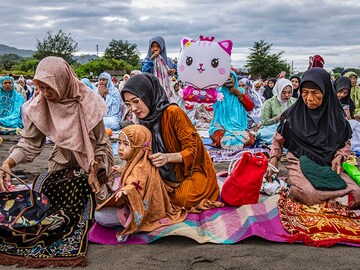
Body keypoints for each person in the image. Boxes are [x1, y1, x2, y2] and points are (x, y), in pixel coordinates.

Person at [0, 56, 115, 199]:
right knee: (56, 203)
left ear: (62, 82)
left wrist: (94, 170)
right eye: (41, 88)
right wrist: (8, 163)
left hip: (95, 158)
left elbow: (100, 142)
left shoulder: (88, 101)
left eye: (50, 88)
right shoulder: (40, 105)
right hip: (63, 158)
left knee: (98, 205)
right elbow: (29, 143)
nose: (46, 93)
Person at [121, 73, 222, 210]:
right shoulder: (142, 121)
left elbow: (194, 151)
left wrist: (167, 158)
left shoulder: (173, 113)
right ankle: (163, 189)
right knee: (134, 188)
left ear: (149, 95)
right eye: (128, 104)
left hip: (190, 171)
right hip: (163, 175)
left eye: (136, 101)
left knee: (182, 199)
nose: (133, 108)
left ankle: (166, 192)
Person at [267, 67, 360, 208]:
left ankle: (328, 202)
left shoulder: (337, 117)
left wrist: (339, 156)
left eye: (315, 93)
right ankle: (333, 201)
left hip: (328, 162)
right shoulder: (293, 115)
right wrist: (273, 161)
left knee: (357, 193)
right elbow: (278, 139)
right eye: (304, 93)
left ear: (326, 92)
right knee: (309, 194)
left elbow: (345, 143)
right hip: (299, 159)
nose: (309, 98)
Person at [94, 124, 187, 241]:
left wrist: (124, 191)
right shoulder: (140, 161)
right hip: (137, 205)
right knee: (102, 210)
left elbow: (136, 185)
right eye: (119, 143)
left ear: (138, 148)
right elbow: (134, 175)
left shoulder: (141, 168)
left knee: (99, 216)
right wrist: (123, 171)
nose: (120, 148)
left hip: (140, 210)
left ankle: (132, 224)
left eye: (126, 144)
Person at [209, 70, 255, 149]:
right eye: (226, 77)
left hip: (239, 128)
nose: (229, 78)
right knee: (220, 140)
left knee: (251, 141)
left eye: (231, 76)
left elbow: (250, 107)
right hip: (221, 127)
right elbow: (209, 104)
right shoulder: (218, 93)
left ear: (235, 79)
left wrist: (239, 94)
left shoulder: (241, 92)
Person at [142, 36, 177, 103]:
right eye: (153, 46)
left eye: (158, 46)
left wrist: (173, 71)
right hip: (152, 89)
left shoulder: (168, 61)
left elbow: (176, 71)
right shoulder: (147, 60)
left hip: (166, 89)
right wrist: (151, 58)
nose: (155, 49)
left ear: (162, 47)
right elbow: (144, 71)